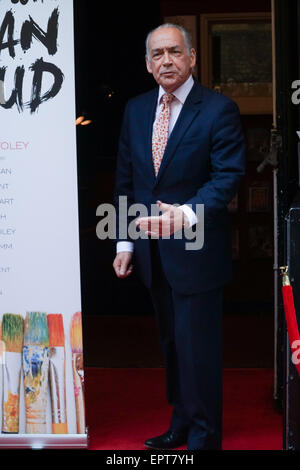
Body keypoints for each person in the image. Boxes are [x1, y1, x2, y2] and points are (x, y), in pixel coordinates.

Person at [112, 23, 245, 450]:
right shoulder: (135, 109)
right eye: (157, 54)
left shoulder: (218, 110)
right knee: (172, 348)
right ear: (148, 65)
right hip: (152, 254)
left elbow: (228, 178)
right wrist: (124, 242)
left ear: (192, 58)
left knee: (198, 352)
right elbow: (126, 180)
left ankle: (205, 439)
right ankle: (182, 425)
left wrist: (184, 216)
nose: (166, 60)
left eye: (174, 51)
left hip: (197, 252)